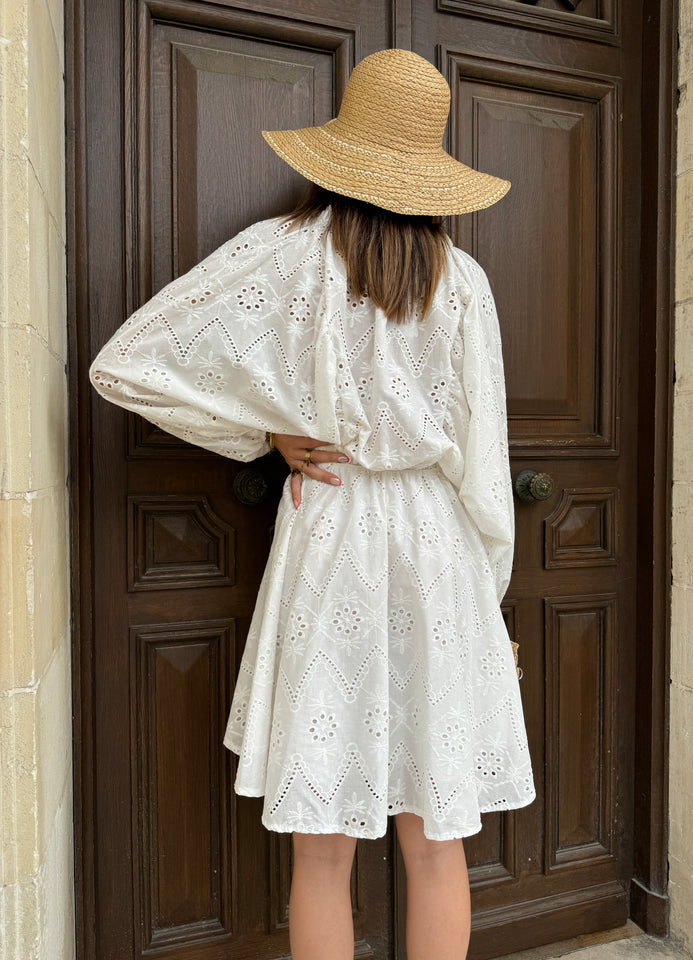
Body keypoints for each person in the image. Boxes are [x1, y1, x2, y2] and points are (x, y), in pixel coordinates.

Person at [90, 47, 535, 960]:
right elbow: (485, 465)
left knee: (321, 847)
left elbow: (126, 364)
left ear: (342, 147)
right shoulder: (466, 284)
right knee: (438, 836)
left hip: (332, 524)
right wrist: (487, 587)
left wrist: (264, 435)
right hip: (437, 543)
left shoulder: (285, 255)